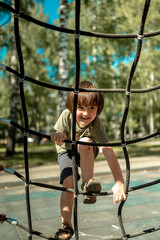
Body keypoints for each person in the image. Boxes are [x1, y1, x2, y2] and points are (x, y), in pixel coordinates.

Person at [51, 81, 127, 240]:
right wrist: (58, 137)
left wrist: (119, 181)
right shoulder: (66, 115)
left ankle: (87, 184)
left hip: (86, 151)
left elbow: (108, 151)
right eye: (81, 108)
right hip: (66, 151)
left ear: (98, 109)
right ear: (72, 107)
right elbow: (57, 136)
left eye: (91, 108)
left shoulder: (96, 123)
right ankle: (66, 225)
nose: (86, 113)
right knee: (69, 183)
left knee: (85, 142)